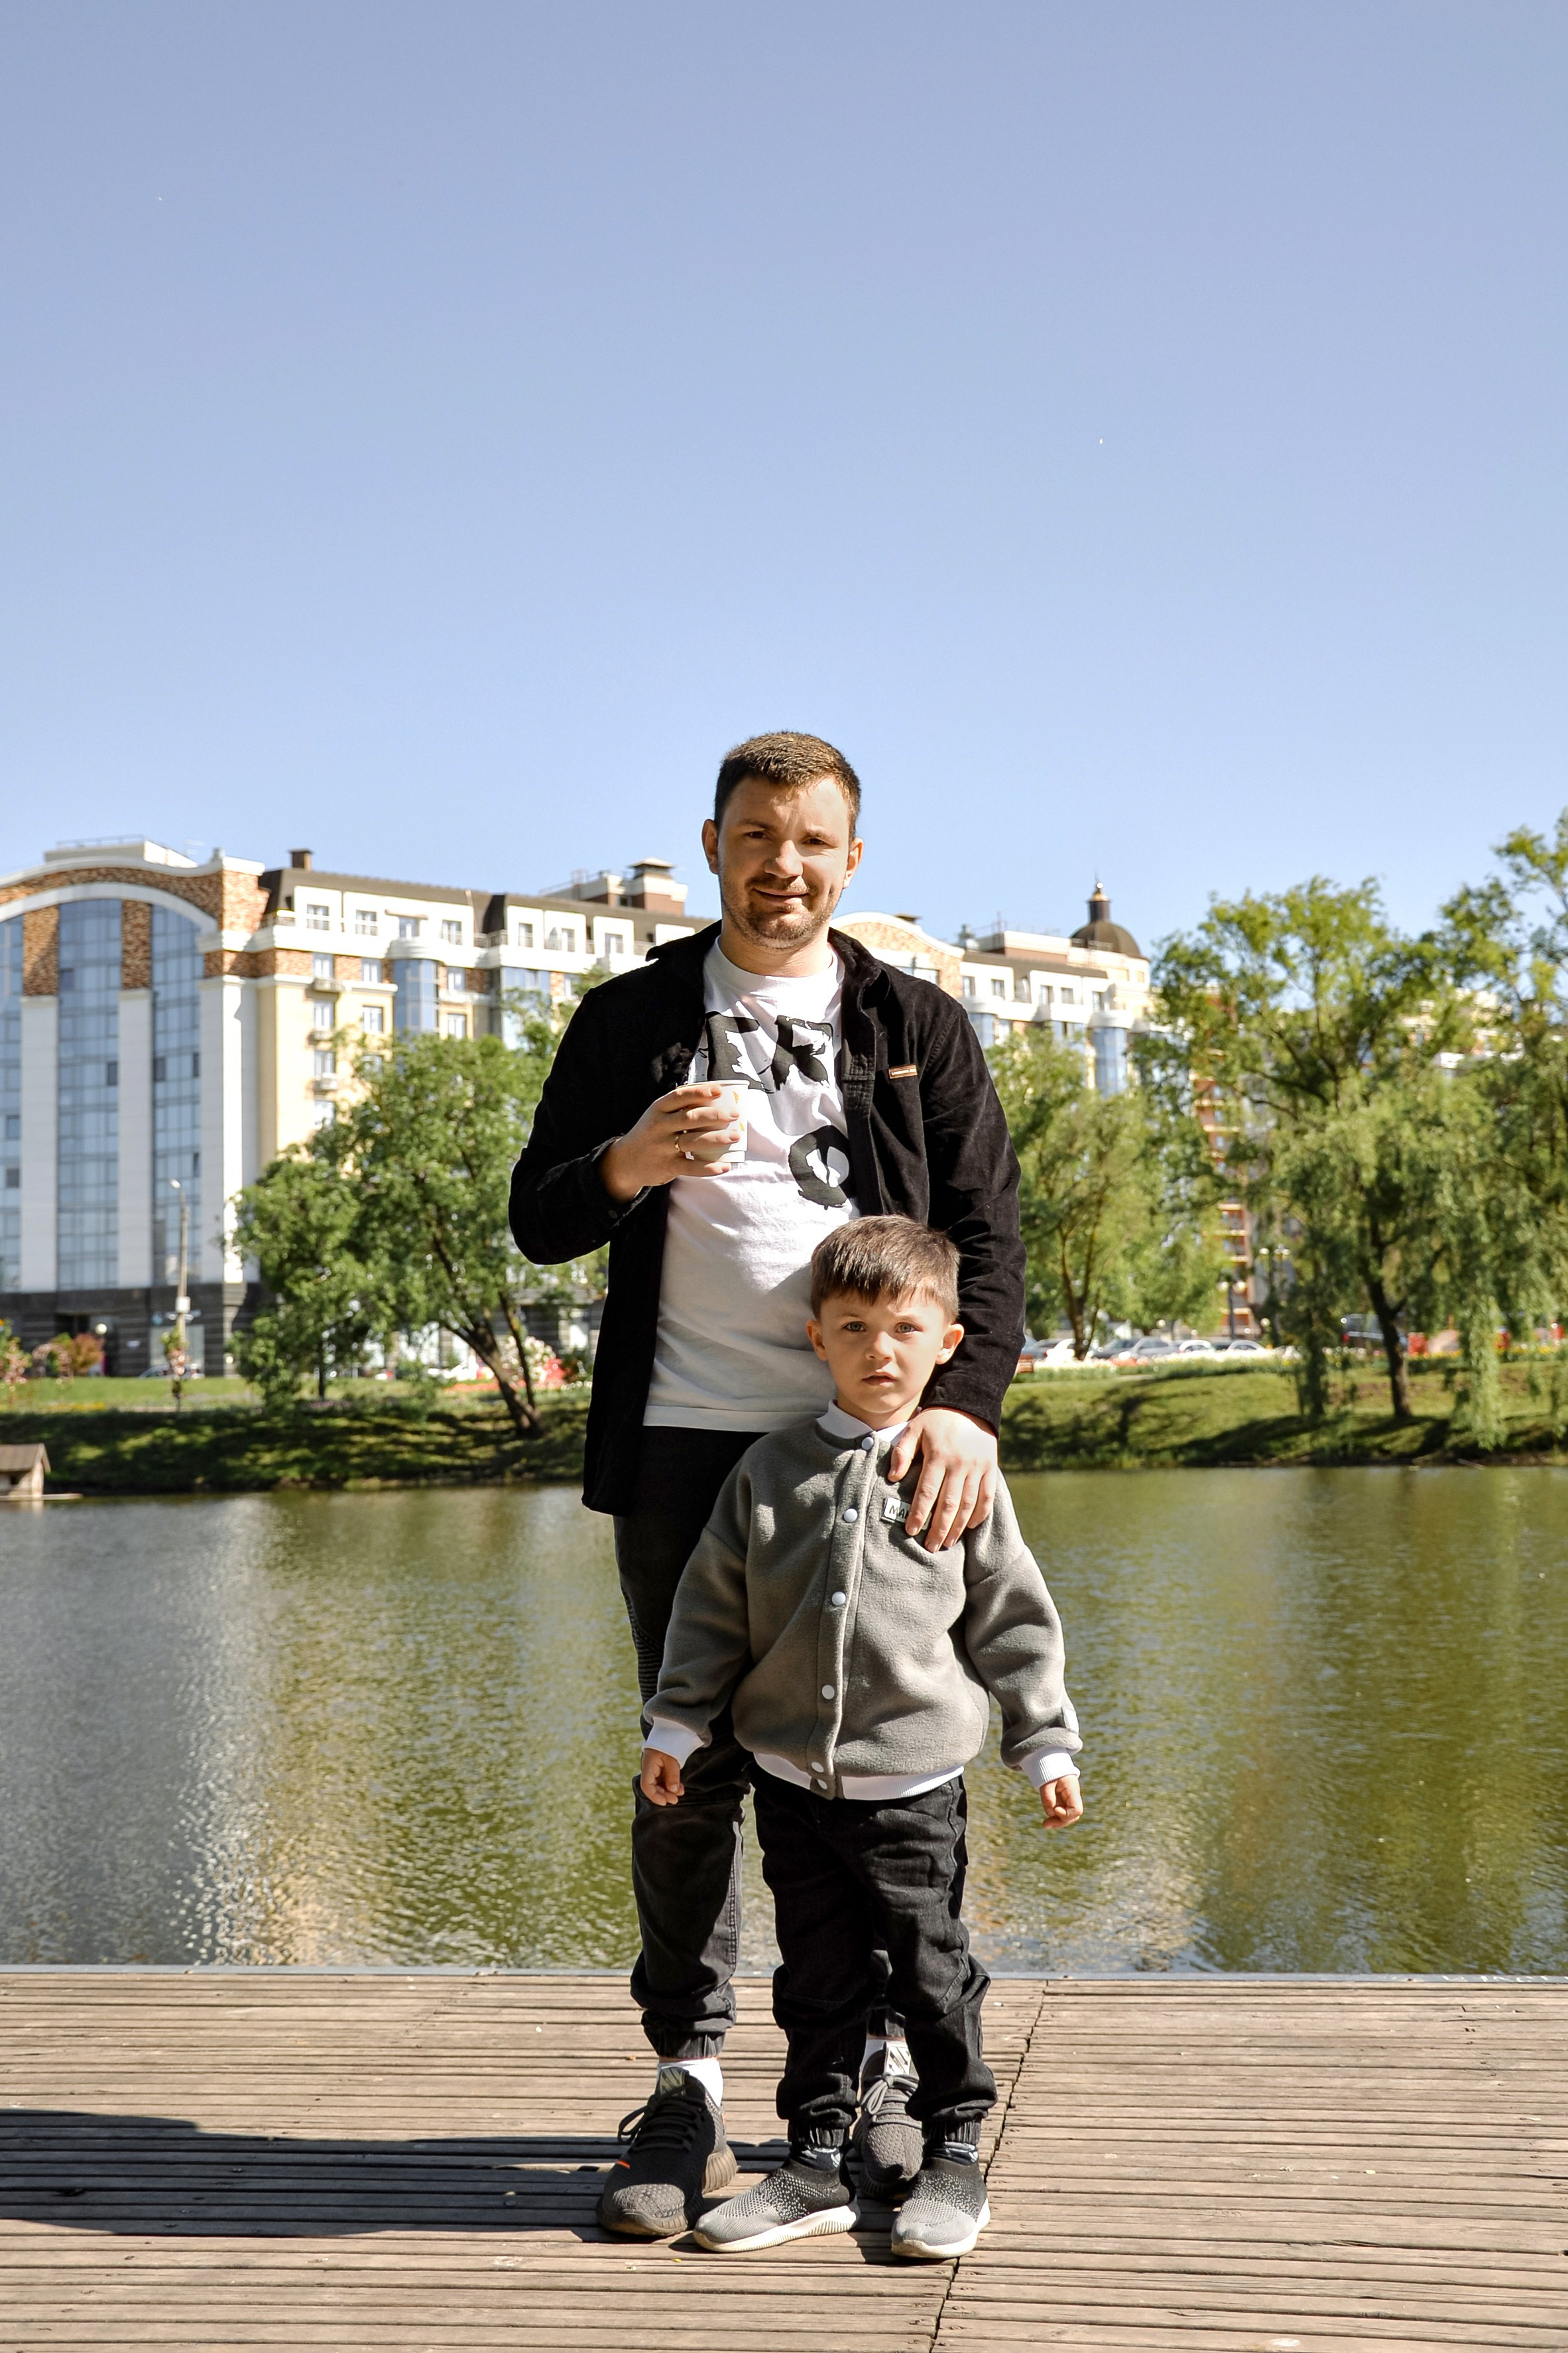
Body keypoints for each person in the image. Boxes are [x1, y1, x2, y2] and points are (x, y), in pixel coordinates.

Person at [509, 730, 1027, 2238]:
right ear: (712, 845)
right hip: (679, 1448)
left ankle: (857, 2068)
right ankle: (685, 2074)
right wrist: (622, 1165)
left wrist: (970, 1413)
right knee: (689, 1773)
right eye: (754, 835)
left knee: (869, 1774)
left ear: (849, 858)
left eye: (811, 840)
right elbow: (540, 1217)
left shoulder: (915, 1024)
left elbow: (989, 1243)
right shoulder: (632, 1017)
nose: (781, 864)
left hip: (867, 1456)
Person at [640, 1218, 1082, 2259]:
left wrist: (1045, 1744)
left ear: (945, 1341)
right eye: (853, 1328)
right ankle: (814, 2161)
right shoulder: (768, 1472)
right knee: (817, 1977)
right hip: (791, 1781)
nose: (878, 1351)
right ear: (815, 1339)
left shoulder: (955, 1475)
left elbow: (1012, 1620)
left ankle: (953, 2150)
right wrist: (677, 1719)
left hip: (914, 1789)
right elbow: (708, 1613)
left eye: (901, 1329)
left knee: (930, 1975)